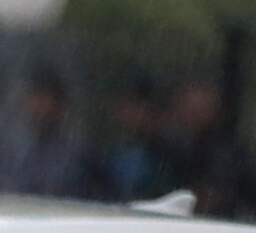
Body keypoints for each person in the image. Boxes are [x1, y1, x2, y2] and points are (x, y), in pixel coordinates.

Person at [167, 76, 255, 219]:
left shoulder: (225, 149)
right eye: (188, 106)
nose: (194, 112)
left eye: (201, 106)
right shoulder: (169, 143)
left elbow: (213, 195)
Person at [1, 68, 97, 200]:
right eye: (34, 98)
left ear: (59, 105)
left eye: (44, 99)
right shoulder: (11, 150)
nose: (38, 107)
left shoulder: (80, 154)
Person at [99, 75, 179, 203]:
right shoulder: (103, 150)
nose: (127, 113)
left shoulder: (171, 153)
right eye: (123, 106)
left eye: (134, 106)